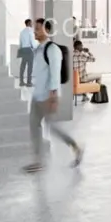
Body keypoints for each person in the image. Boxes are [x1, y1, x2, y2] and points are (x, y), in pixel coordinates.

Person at [23, 19, 83, 173]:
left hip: (48, 97)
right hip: (37, 96)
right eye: (34, 28)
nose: (35, 31)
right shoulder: (38, 49)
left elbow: (55, 74)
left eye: (38, 28)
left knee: (54, 128)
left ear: (47, 31)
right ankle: (38, 161)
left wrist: (53, 96)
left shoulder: (52, 49)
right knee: (34, 126)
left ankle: (75, 147)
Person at [17, 18, 36, 87]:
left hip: (23, 49)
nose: (32, 24)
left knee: (22, 66)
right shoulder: (30, 31)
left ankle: (21, 82)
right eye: (31, 23)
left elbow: (20, 42)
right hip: (29, 50)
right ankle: (29, 82)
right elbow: (32, 41)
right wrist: (34, 48)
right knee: (30, 67)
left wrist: (21, 49)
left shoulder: (22, 32)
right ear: (28, 23)